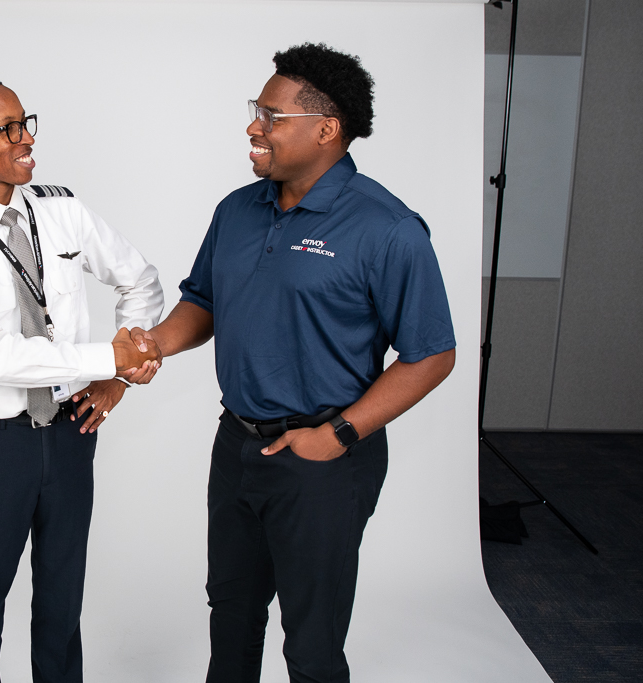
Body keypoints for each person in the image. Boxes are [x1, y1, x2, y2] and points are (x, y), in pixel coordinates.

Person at [130, 44, 457, 682]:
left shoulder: (388, 228)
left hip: (324, 459)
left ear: (326, 129)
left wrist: (337, 435)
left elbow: (432, 354)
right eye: (257, 110)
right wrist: (157, 344)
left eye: (271, 116)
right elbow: (204, 300)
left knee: (311, 642)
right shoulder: (237, 209)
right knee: (231, 613)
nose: (254, 127)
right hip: (238, 445)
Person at [0, 78, 163, 683]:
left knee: (62, 594)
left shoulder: (62, 209)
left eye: (26, 122)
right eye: (8, 129)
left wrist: (116, 381)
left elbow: (140, 281)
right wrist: (108, 358)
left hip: (72, 429)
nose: (26, 139)